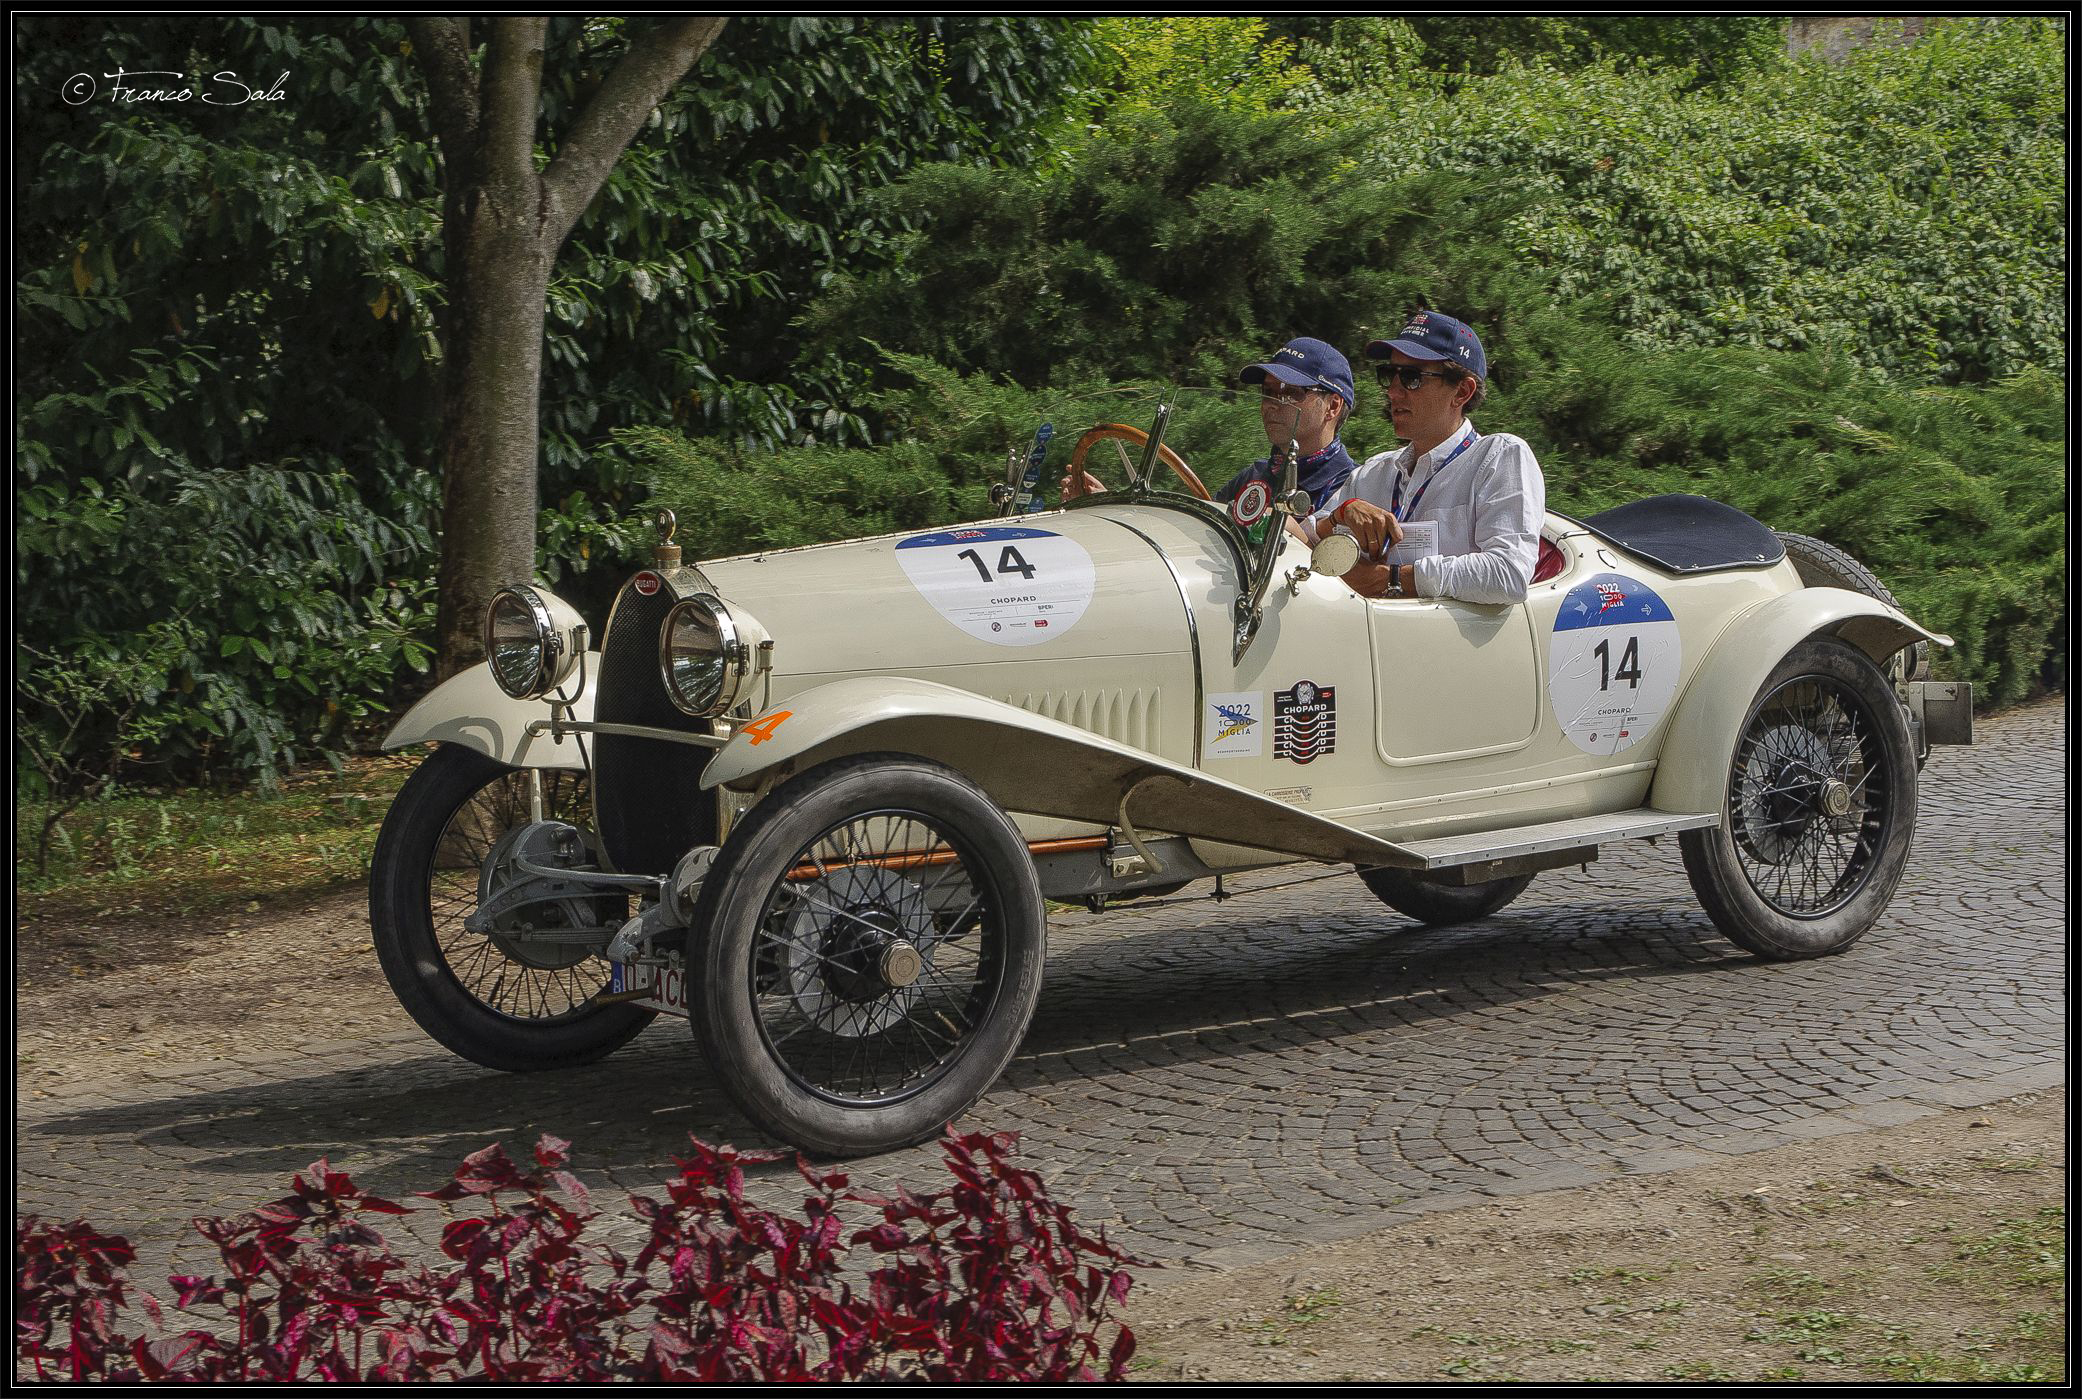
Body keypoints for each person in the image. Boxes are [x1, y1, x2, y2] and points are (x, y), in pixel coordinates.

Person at [1304, 311, 1544, 605]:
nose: (1393, 391)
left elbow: (1509, 575)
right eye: (1388, 375)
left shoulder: (1499, 456)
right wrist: (1337, 518)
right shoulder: (1372, 473)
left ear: (1462, 392)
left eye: (1411, 378)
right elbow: (1302, 545)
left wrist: (1391, 579)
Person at [1061, 337, 1358, 517]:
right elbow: (1193, 534)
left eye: (1290, 392)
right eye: (1267, 391)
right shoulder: (1255, 476)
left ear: (1332, 406)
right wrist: (1110, 502)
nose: (1271, 403)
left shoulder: (1351, 485)